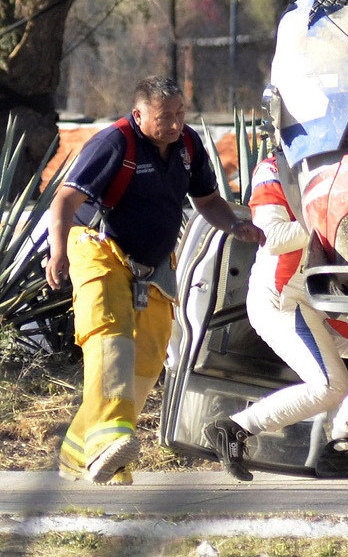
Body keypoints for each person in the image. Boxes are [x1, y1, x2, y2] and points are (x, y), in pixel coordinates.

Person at [45, 76, 265, 485]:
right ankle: (112, 440)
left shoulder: (187, 146)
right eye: (165, 116)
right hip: (98, 248)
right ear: (140, 113)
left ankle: (82, 452)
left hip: (153, 263)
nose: (175, 123)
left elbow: (208, 202)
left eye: (180, 113)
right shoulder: (115, 143)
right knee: (111, 338)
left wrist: (236, 227)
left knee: (149, 353)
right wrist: (57, 251)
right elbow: (65, 200)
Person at [203, 153, 348, 481]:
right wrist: (325, 219)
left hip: (319, 298)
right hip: (283, 301)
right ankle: (233, 428)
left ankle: (340, 450)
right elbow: (271, 238)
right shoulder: (275, 168)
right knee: (330, 386)